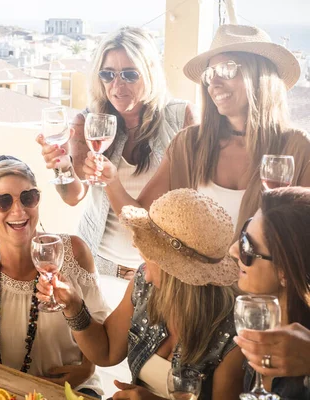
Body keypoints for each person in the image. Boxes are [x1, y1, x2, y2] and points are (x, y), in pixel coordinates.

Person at [82, 24, 310, 242]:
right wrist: (111, 180)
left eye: (226, 70)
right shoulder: (188, 144)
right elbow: (142, 219)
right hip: (192, 284)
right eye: (209, 75)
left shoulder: (298, 149)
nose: (214, 83)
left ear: (260, 75)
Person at [39, 189, 246, 399]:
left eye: (150, 248)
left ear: (175, 271)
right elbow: (107, 351)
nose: (137, 246)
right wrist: (74, 307)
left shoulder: (234, 333)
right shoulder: (144, 286)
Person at [0, 156, 109, 397]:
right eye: (3, 201)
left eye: (28, 197)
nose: (18, 210)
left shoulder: (73, 251)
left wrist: (87, 368)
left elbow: (103, 341)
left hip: (68, 390)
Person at [36, 26, 196, 278]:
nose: (117, 85)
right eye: (108, 74)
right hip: (99, 266)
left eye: (130, 75)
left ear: (150, 73)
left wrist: (112, 181)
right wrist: (62, 165)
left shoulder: (179, 118)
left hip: (162, 271)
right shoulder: (88, 121)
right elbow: (73, 196)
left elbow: (176, 203)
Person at [229, 187, 310, 398]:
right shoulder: (257, 320)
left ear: (285, 271)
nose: (233, 250)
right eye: (243, 235)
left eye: (248, 247)